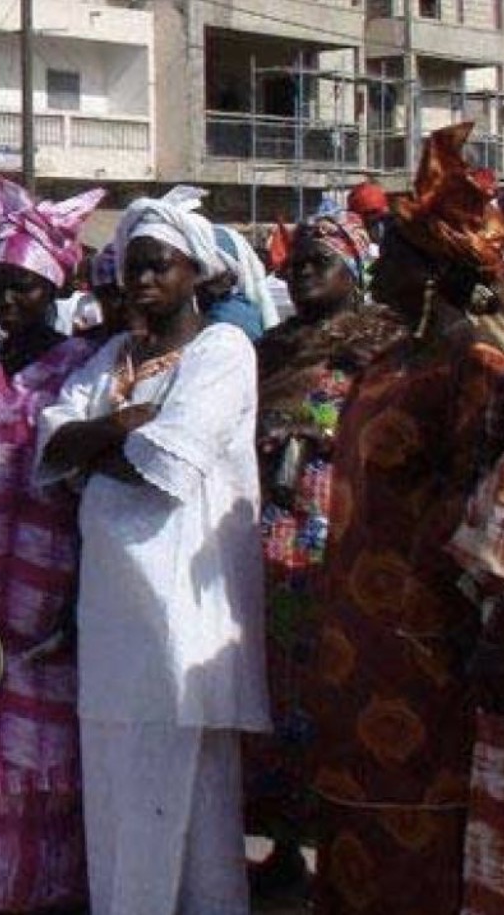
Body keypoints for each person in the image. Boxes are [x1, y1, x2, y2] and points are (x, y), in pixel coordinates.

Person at [36, 185, 271, 915]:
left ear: (195, 271)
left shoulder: (223, 350)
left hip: (182, 619)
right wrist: (125, 423)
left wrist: (102, 439)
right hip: (113, 614)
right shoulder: (112, 356)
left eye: (159, 265)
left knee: (187, 809)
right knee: (122, 803)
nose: (142, 280)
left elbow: (167, 463)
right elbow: (49, 444)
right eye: (133, 266)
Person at [307, 123, 504, 915]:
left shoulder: (476, 365)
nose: (376, 264)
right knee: (349, 825)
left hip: (426, 646)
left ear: (429, 273)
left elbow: (475, 509)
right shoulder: (390, 356)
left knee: (416, 832)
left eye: (390, 252)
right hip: (356, 636)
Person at [0, 178, 106, 913]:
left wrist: (79, 599)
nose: (9, 301)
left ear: (53, 289)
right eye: (1, 287)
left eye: (24, 288)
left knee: (45, 741)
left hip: (51, 571)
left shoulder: (81, 368)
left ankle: (49, 889)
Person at [244, 212, 402, 895]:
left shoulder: (382, 347)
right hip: (264, 531)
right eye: (297, 263)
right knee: (271, 693)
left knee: (333, 691)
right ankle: (281, 842)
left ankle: (336, 844)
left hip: (336, 534)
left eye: (320, 262)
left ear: (354, 271)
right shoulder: (271, 349)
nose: (303, 272)